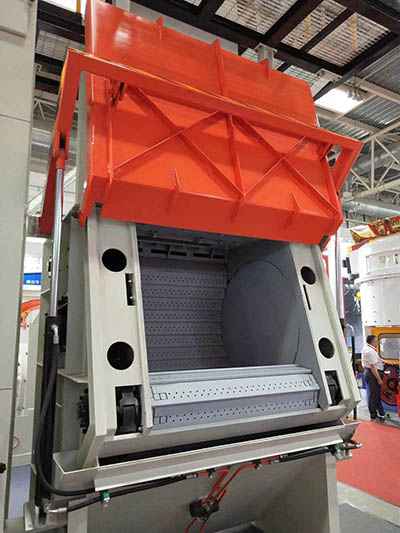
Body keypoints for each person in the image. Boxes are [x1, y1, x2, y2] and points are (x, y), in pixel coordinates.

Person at [361, 334, 385, 422]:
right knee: (373, 396)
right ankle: (373, 416)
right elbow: (373, 367)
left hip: (370, 373)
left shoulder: (367, 348)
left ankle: (380, 414)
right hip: (372, 374)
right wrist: (379, 379)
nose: (377, 342)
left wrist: (382, 361)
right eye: (376, 341)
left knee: (375, 395)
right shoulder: (370, 351)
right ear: (372, 341)